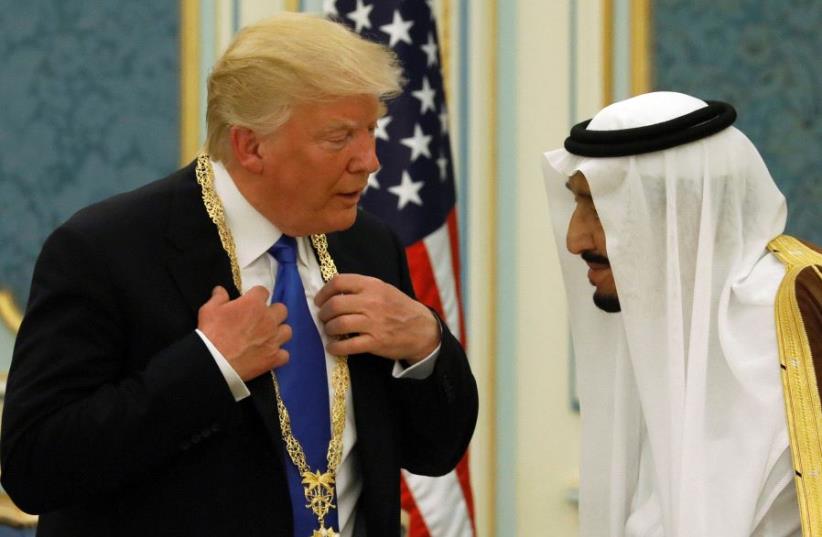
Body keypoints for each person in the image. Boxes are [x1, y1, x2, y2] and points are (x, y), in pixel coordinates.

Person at [0, 13, 478, 537]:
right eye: (340, 137)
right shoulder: (106, 249)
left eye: (371, 131)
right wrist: (208, 366)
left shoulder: (370, 244)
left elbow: (434, 454)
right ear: (251, 146)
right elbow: (34, 468)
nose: (370, 161)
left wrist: (425, 345)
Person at [542, 91, 822, 537]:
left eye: (598, 207)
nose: (575, 240)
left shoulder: (802, 305)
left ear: (677, 210)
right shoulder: (656, 319)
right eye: (576, 203)